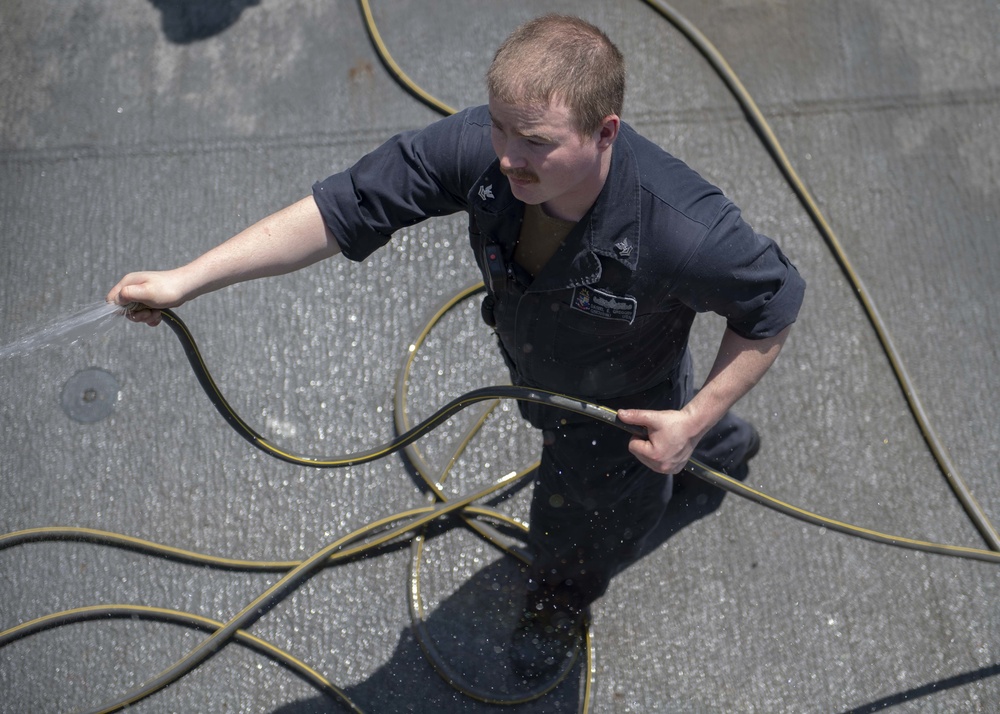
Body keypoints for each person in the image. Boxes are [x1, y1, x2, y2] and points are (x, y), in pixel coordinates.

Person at [108, 14, 805, 679]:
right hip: (546, 373)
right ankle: (713, 449)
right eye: (499, 127)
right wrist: (187, 279)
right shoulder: (486, 152)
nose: (507, 157)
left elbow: (771, 305)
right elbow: (341, 207)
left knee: (579, 528)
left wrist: (692, 419)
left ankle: (564, 597)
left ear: (605, 132)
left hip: (616, 417)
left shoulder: (685, 228)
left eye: (534, 140)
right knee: (672, 444)